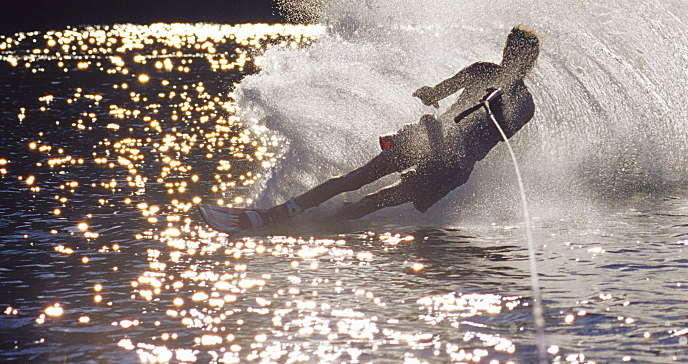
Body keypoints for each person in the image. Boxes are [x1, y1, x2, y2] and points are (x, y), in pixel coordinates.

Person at [202, 26, 539, 233]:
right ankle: (278, 213)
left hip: (452, 166)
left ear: (528, 62)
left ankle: (316, 225)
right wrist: (429, 94)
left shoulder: (523, 104)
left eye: (519, 56)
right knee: (354, 178)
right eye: (509, 50)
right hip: (428, 137)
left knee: (371, 202)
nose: (511, 58)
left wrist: (495, 106)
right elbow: (436, 94)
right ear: (505, 49)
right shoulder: (482, 71)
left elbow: (490, 138)